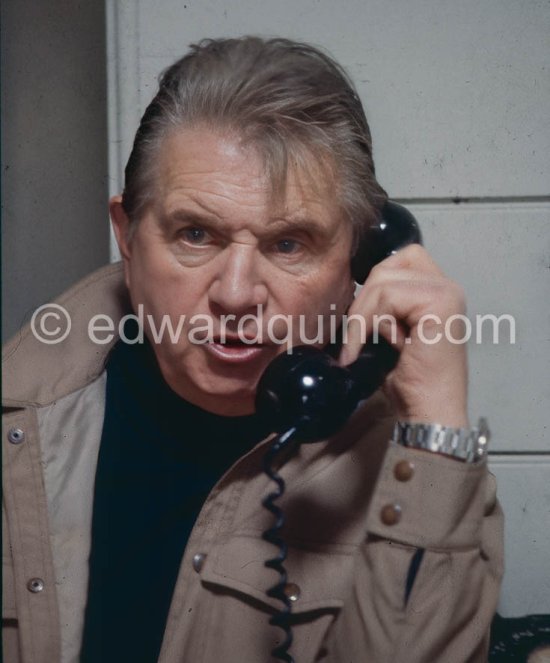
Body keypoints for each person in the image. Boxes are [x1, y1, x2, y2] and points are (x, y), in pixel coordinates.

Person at [2, 37, 503, 663]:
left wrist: (432, 434)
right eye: (195, 233)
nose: (236, 296)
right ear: (128, 237)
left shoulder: (419, 475)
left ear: (359, 260)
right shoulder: (17, 424)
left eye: (289, 244)